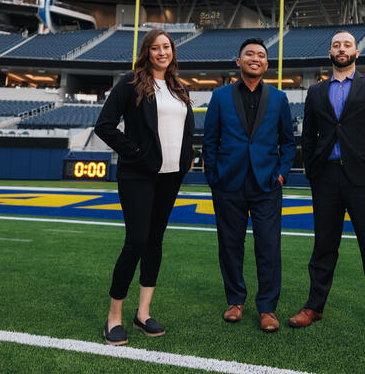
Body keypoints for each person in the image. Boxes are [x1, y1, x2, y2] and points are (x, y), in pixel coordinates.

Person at [289, 30, 365, 340]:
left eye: (347, 44)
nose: (341, 48)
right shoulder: (316, 92)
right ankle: (314, 306)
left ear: (356, 52)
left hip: (364, 177)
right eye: (336, 44)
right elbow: (308, 136)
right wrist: (313, 170)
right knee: (323, 245)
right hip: (326, 177)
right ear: (330, 52)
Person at [94, 29, 195, 345]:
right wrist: (136, 152)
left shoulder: (179, 87)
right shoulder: (130, 82)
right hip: (138, 174)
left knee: (155, 241)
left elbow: (183, 130)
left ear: (173, 51)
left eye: (167, 47)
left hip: (170, 176)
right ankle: (114, 316)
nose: (162, 52)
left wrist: (185, 159)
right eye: (156, 47)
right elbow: (104, 126)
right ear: (147, 52)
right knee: (136, 240)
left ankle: (143, 313)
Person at [202, 38, 295, 333]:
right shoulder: (219, 96)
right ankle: (235, 301)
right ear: (239, 61)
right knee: (230, 246)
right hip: (228, 184)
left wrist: (280, 174)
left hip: (267, 184)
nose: (255, 58)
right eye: (249, 54)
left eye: (261, 55)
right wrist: (214, 177)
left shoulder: (279, 98)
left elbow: (289, 143)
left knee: (268, 248)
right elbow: (210, 141)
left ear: (266, 64)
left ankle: (267, 308)